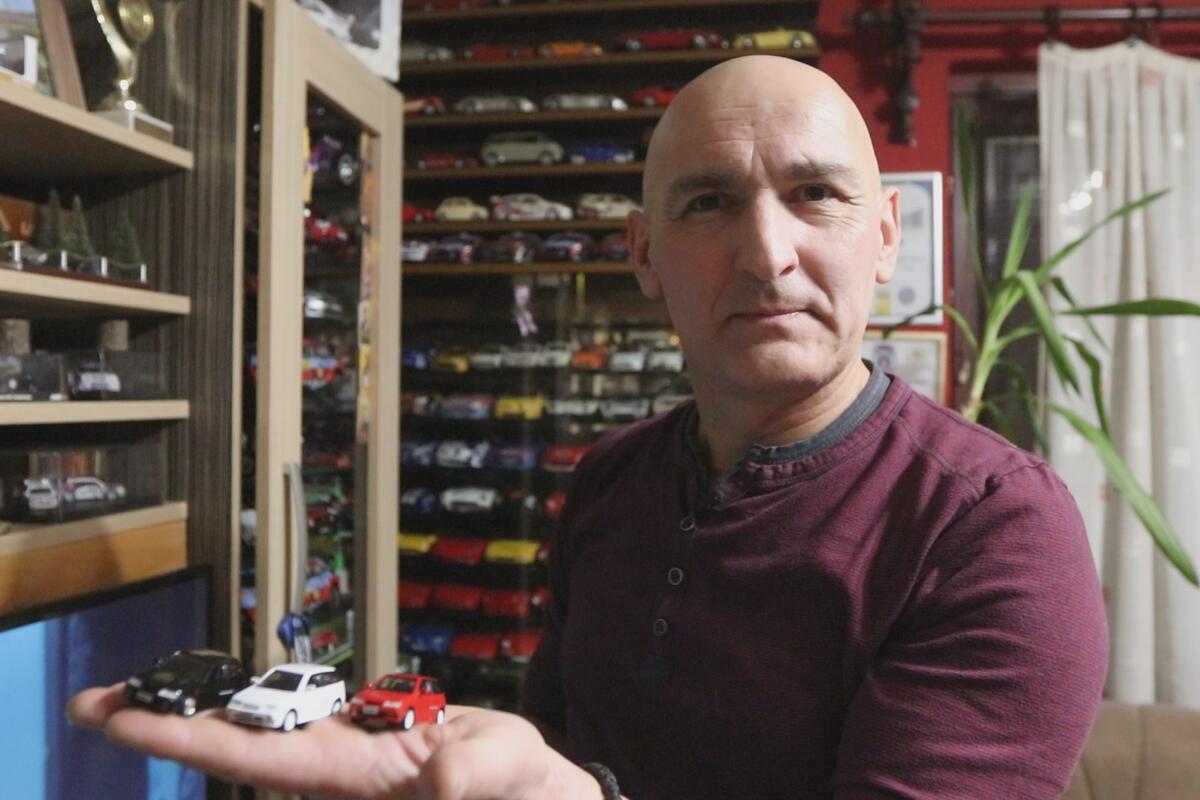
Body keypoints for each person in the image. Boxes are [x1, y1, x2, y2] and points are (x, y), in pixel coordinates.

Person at [69, 55, 1108, 799]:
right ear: (644, 254)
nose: (766, 253)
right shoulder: (614, 477)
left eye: (815, 194)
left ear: (883, 237)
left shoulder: (993, 531)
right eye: (709, 203)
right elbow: (561, 746)